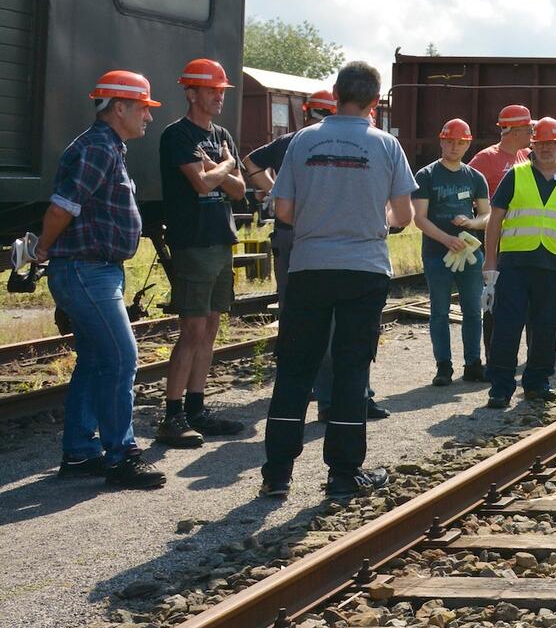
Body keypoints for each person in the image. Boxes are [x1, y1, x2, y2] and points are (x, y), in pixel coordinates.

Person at [259, 60, 416, 501]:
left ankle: (277, 473)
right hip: (363, 271)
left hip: (309, 267)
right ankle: (343, 475)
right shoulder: (386, 146)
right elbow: (403, 215)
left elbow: (284, 210)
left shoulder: (304, 140)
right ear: (374, 101)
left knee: (294, 369)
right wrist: (375, 217)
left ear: (335, 92)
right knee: (350, 369)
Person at [32, 71, 167, 490]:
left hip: (95, 270)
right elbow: (62, 207)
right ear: (119, 107)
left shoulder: (108, 147)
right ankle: (121, 455)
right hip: (86, 270)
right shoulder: (96, 147)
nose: (148, 116)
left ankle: (79, 452)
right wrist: (41, 250)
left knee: (95, 361)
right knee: (121, 359)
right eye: (144, 107)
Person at [155, 58, 248, 447]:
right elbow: (201, 183)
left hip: (220, 240)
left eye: (221, 91)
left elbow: (240, 191)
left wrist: (221, 170)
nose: (218, 97)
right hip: (192, 242)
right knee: (192, 329)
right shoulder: (178, 135)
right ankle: (172, 415)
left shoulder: (222, 133)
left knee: (210, 327)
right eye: (212, 91)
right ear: (191, 93)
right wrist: (224, 166)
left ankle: (196, 408)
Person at [480, 116, 556, 409]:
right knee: (506, 327)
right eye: (540, 143)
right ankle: (500, 388)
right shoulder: (516, 175)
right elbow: (495, 219)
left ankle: (537, 383)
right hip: (514, 266)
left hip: (555, 268)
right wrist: (491, 259)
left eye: (552, 143)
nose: (546, 148)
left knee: (546, 327)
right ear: (532, 145)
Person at [244, 88, 337, 309]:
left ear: (307, 113)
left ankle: (290, 339)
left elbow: (250, 162)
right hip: (323, 232)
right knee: (322, 300)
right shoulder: (337, 144)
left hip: (287, 229)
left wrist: (275, 190)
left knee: (289, 299)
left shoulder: (286, 141)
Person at [413, 117, 490, 384]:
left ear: (467, 144)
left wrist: (471, 223)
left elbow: (487, 215)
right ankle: (443, 366)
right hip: (437, 253)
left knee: (472, 310)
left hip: (469, 254)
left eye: (461, 142)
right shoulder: (426, 175)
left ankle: (473, 364)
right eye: (450, 141)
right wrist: (446, 239)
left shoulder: (475, 177)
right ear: (442, 141)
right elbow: (419, 218)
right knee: (440, 311)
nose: (455, 147)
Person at [469, 105, 533, 195]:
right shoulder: (487, 158)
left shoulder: (528, 154)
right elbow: (463, 185)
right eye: (529, 131)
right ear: (516, 134)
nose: (532, 135)